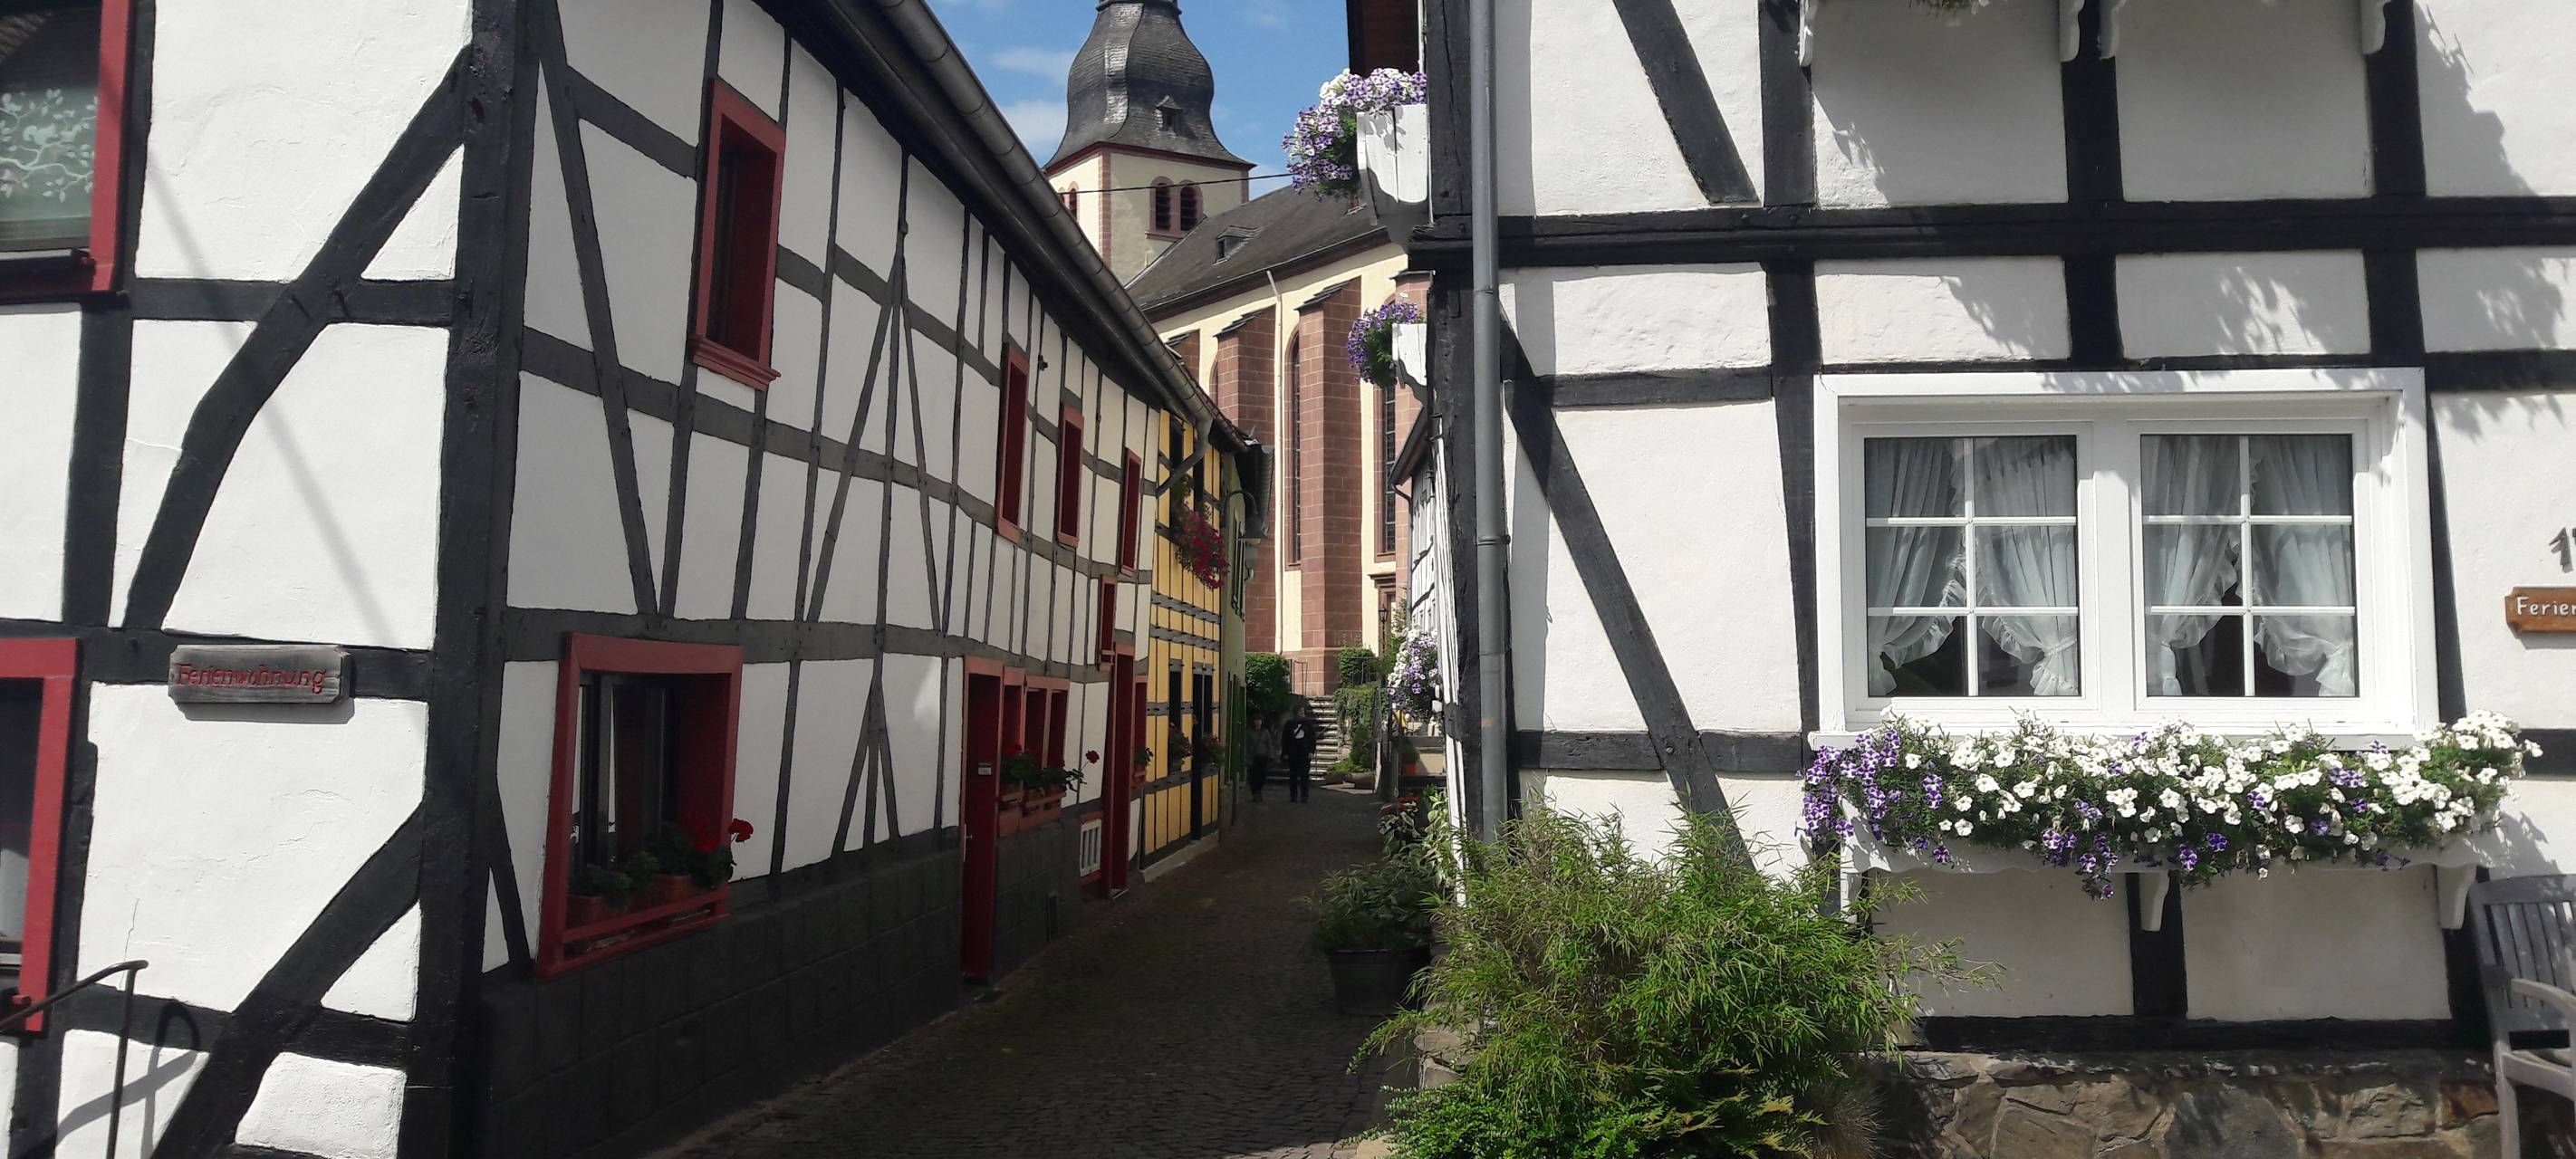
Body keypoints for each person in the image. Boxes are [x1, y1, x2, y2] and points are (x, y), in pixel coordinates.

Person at [1281, 707, 1318, 803]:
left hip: (1305, 752)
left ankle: (1304, 796)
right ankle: (1293, 795)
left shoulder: (1308, 724)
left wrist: (1311, 751)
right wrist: (1285, 752)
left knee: (1304, 775)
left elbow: (1312, 739)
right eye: (1300, 711)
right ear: (1296, 712)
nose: (1302, 713)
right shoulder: (1289, 724)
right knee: (1293, 775)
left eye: (1303, 712)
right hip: (1293, 752)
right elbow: (1285, 739)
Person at [1246, 712, 1278, 800]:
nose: (1258, 722)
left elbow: (1269, 744)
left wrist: (1271, 756)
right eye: (1256, 720)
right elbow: (1246, 745)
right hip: (1253, 757)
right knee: (1253, 776)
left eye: (1259, 720)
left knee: (1262, 776)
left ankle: (1259, 791)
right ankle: (1254, 793)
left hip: (1263, 757)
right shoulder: (1249, 732)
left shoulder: (1265, 732)